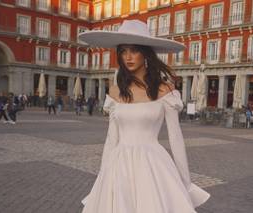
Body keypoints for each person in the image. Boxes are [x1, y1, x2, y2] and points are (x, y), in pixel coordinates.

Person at [79, 19, 210, 213]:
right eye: (123, 51)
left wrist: (186, 183)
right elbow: (111, 139)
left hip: (152, 166)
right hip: (118, 165)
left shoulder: (166, 91)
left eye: (134, 50)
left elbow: (175, 138)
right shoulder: (115, 92)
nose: (128, 56)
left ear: (146, 53)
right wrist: (102, 176)